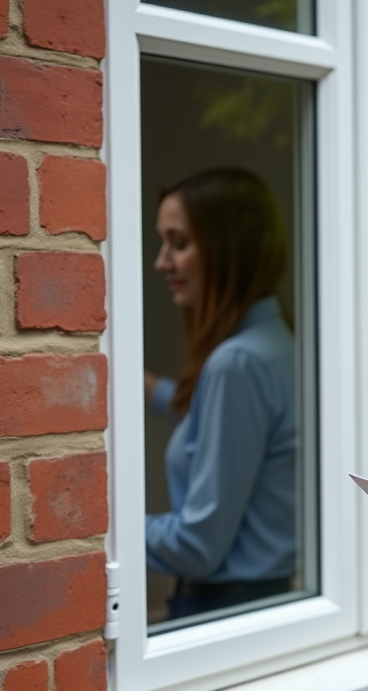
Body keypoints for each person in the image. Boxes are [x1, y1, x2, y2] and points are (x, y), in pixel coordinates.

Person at [144, 167, 298, 620]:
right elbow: (221, 428)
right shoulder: (277, 344)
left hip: (224, 610)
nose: (161, 262)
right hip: (263, 601)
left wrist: (98, 531)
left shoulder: (237, 364)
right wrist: (150, 389)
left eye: (179, 243)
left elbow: (197, 547)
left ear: (226, 251)